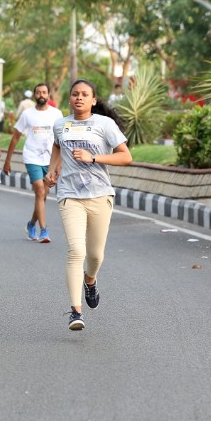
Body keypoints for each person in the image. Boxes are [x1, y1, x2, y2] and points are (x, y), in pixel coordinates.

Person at [43, 79, 133, 331]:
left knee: (95, 255)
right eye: (74, 94)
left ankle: (90, 281)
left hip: (99, 195)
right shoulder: (61, 124)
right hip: (70, 195)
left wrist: (93, 157)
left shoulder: (105, 124)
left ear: (93, 100)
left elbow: (126, 156)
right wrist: (52, 171)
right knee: (76, 251)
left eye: (84, 94)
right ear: (69, 99)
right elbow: (57, 147)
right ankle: (75, 311)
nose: (79, 98)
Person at [3, 83, 64, 243]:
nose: (41, 95)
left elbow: (61, 140)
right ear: (35, 95)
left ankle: (31, 224)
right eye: (38, 92)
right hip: (32, 157)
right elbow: (16, 137)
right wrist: (7, 161)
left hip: (50, 159)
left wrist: (59, 164)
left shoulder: (57, 114)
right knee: (39, 191)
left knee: (43, 196)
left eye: (44, 92)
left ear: (49, 95)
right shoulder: (27, 114)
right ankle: (44, 231)